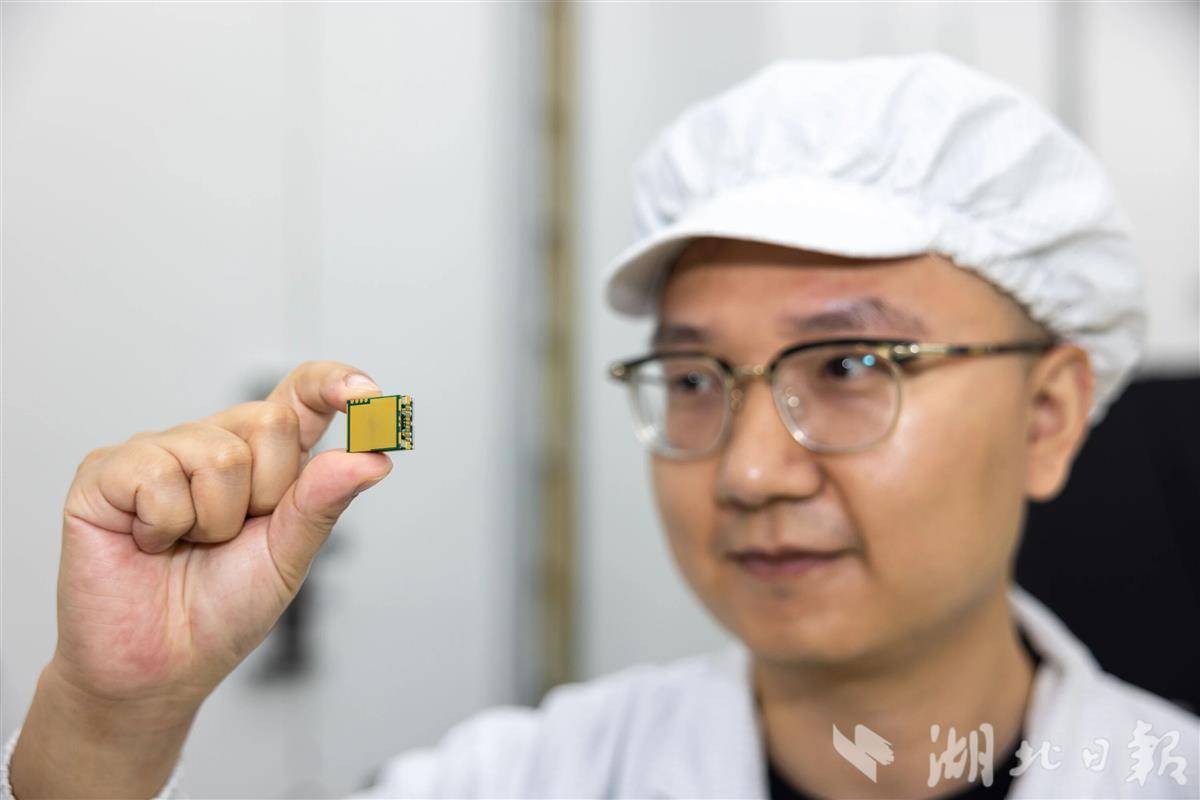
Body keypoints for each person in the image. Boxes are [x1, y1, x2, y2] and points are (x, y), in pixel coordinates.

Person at [3, 52, 1197, 800]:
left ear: (1049, 416)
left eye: (849, 364)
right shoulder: (535, 775)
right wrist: (111, 721)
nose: (749, 468)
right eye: (692, 376)